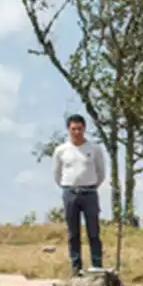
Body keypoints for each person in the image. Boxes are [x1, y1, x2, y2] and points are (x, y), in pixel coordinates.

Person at [52, 114, 105, 276]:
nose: (77, 132)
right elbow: (57, 173)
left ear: (84, 129)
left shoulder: (94, 149)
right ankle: (76, 267)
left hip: (89, 192)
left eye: (80, 129)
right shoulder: (61, 150)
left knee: (93, 231)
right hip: (70, 192)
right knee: (73, 232)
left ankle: (96, 265)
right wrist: (66, 186)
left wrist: (92, 184)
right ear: (68, 130)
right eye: (73, 129)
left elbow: (101, 172)